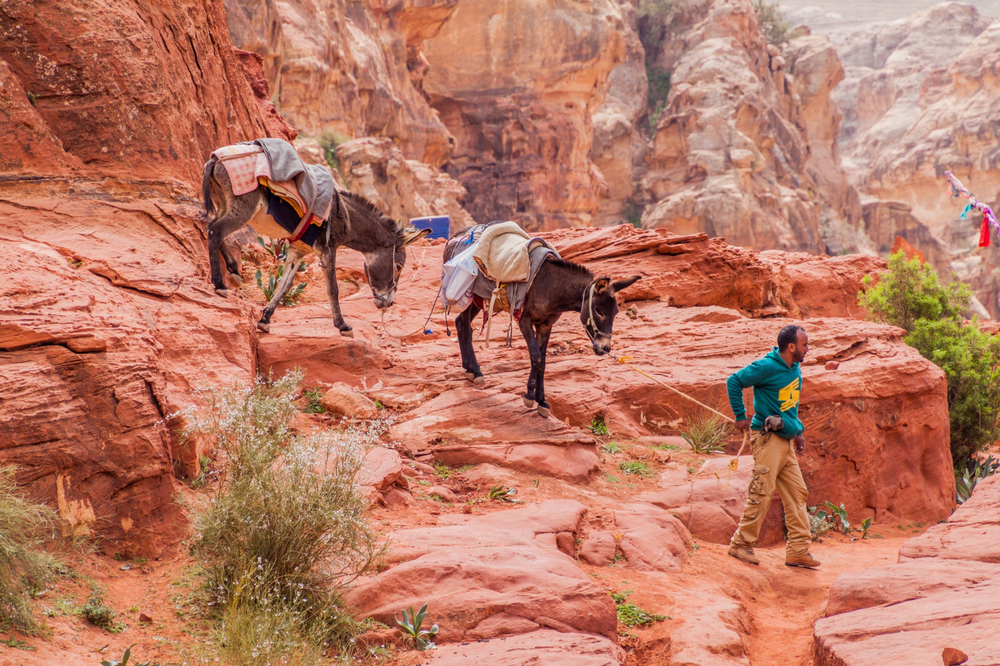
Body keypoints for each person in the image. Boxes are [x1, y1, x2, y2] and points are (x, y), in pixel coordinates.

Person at [725, 324, 820, 569]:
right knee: (762, 490)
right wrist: (740, 415)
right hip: (767, 438)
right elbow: (734, 381)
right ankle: (740, 544)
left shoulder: (795, 368)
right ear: (791, 347)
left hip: (785, 440)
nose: (807, 349)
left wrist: (797, 431)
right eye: (804, 345)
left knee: (797, 493)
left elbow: (790, 405)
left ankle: (798, 550)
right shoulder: (766, 366)